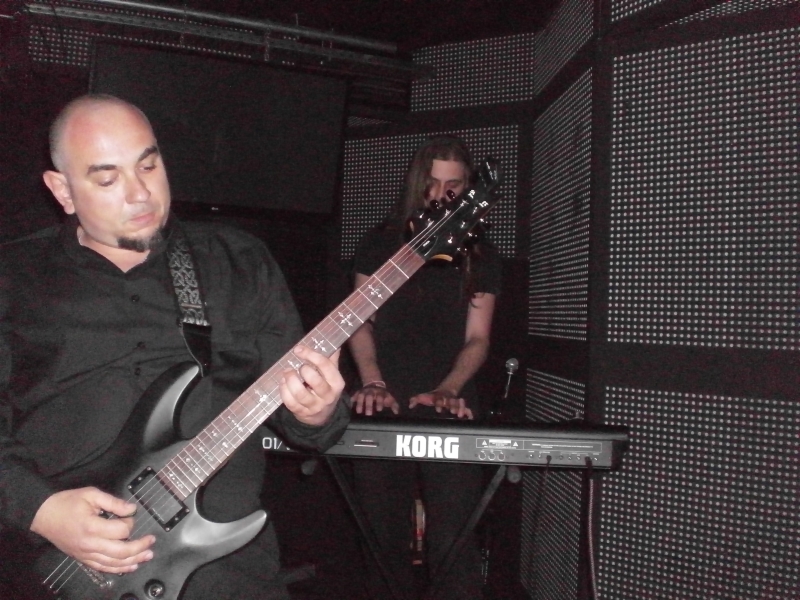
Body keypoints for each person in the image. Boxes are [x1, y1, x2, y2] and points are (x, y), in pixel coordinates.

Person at [0, 94, 350, 600]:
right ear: (63, 190)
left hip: (226, 573)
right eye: (107, 179)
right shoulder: (13, 277)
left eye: (149, 165)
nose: (140, 193)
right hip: (57, 572)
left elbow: (307, 426)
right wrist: (40, 509)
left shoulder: (238, 261)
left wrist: (316, 412)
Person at [347, 135, 501, 599]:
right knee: (381, 542)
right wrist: (372, 381)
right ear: (417, 182)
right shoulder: (380, 242)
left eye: (453, 185)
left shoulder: (480, 253)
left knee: (453, 542)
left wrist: (450, 388)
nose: (441, 195)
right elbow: (358, 323)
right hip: (383, 395)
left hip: (450, 399)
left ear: (468, 188)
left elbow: (478, 338)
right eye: (432, 184)